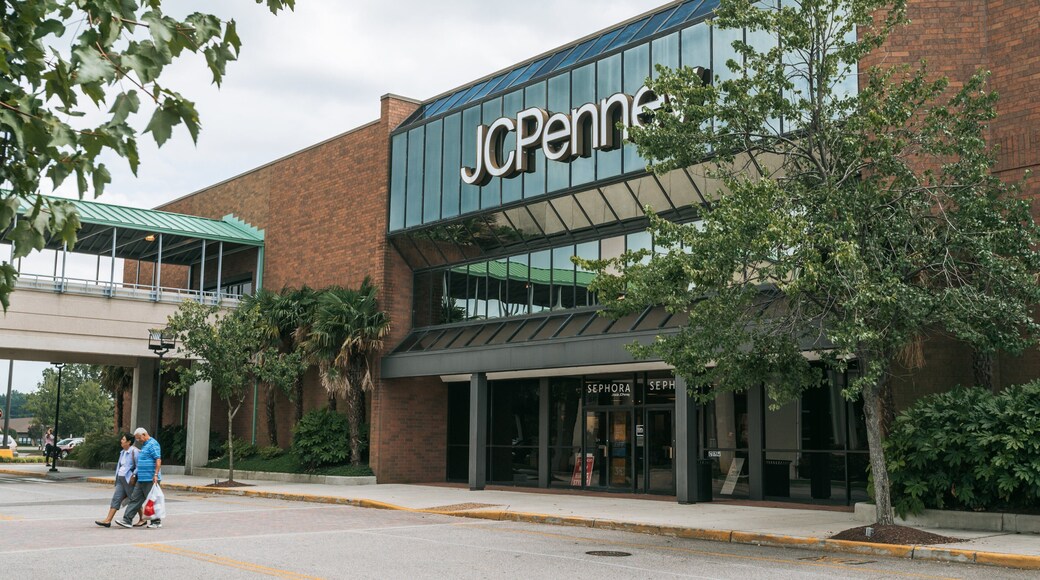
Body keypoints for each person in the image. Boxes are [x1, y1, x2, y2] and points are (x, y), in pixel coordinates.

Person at [115, 427, 162, 529]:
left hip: (150, 478)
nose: (138, 441)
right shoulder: (145, 445)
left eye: (139, 438)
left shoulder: (153, 444)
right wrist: (135, 475)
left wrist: (155, 475)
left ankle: (156, 521)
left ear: (144, 435)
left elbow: (158, 459)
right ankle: (127, 520)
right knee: (135, 499)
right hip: (141, 478)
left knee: (151, 500)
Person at [95, 433, 141, 527]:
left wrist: (134, 474)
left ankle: (143, 518)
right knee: (116, 498)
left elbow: (139, 465)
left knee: (133, 499)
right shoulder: (123, 452)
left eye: (123, 439)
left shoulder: (134, 451)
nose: (121, 441)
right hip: (120, 479)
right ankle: (108, 520)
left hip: (128, 480)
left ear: (129, 442)